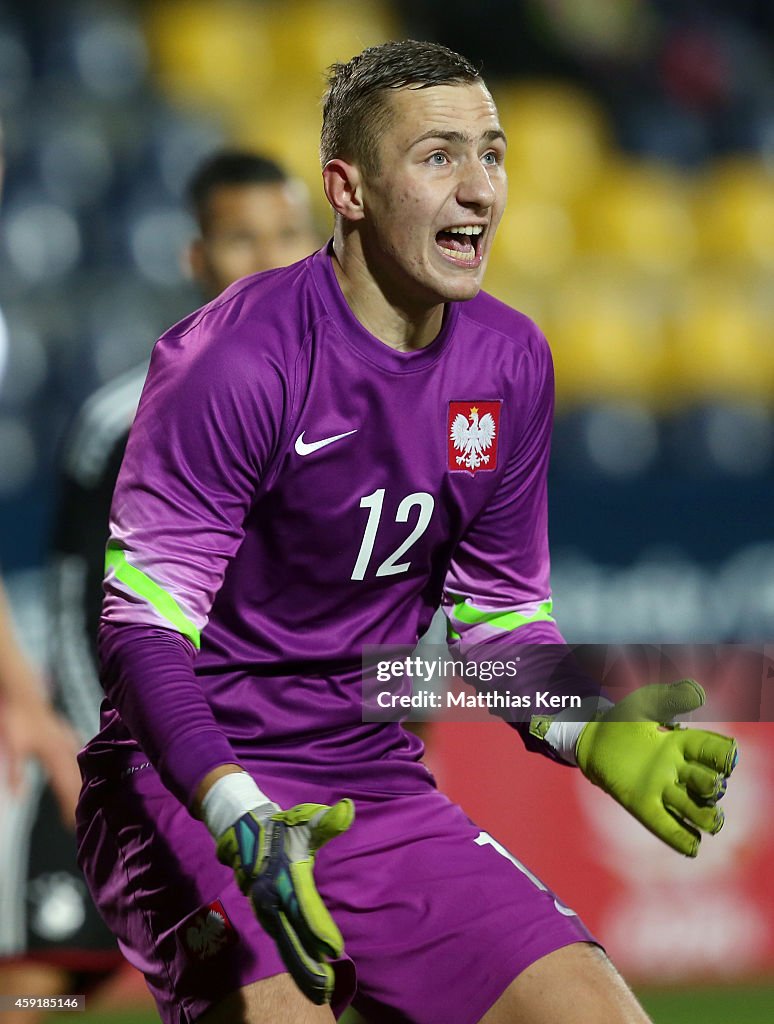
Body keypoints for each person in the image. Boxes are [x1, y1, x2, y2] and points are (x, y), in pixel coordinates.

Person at [75, 40, 737, 1024]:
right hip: (189, 786)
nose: (480, 190)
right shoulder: (232, 360)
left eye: (494, 153)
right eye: (438, 157)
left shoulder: (511, 360)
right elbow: (141, 631)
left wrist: (592, 733)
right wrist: (234, 808)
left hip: (369, 784)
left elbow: (501, 627)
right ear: (347, 189)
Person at [0, 149, 319, 1022]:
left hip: (257, 762)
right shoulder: (123, 419)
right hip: (125, 760)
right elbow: (77, 607)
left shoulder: (349, 414)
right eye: (240, 237)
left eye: (287, 233)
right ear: (196, 257)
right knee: (43, 991)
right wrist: (77, 745)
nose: (267, 256)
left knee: (263, 990)